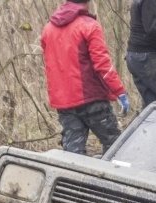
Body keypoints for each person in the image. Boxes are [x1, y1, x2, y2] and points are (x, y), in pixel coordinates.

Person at [41, 0, 130, 155]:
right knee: (116, 147)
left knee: (72, 154)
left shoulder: (48, 28)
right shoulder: (89, 25)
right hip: (91, 97)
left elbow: (51, 64)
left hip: (64, 101)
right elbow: (102, 64)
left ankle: (71, 172)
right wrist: (119, 91)